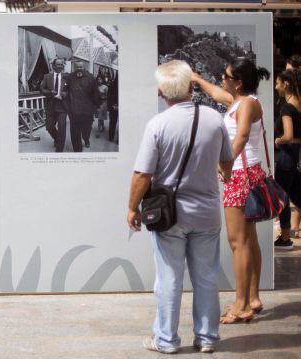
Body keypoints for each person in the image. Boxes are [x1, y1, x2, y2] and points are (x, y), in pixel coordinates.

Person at [128, 60, 233, 354]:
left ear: (162, 93)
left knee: (169, 279)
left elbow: (142, 174)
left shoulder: (158, 125)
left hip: (170, 215)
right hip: (208, 212)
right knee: (207, 277)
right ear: (191, 87)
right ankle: (208, 338)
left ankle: (166, 340)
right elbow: (227, 160)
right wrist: (221, 172)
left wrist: (132, 208)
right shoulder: (214, 119)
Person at [192, 57, 271, 323]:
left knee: (238, 243)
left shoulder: (246, 104)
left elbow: (243, 135)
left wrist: (225, 164)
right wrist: (197, 79)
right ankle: (253, 298)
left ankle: (241, 305)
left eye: (225, 76)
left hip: (239, 176)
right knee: (248, 241)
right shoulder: (241, 101)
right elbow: (216, 93)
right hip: (247, 174)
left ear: (238, 82)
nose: (221, 79)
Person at [273, 69, 301, 250]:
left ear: (286, 85)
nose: (276, 87)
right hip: (297, 154)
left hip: (287, 156)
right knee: (297, 195)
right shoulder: (299, 104)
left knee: (281, 196)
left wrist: (277, 140)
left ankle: (284, 237)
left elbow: (288, 135)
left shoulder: (286, 108)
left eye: (277, 83)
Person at [65, 61, 100, 151]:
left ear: (84, 67)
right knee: (75, 132)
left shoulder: (90, 77)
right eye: (77, 67)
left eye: (80, 67)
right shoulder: (70, 77)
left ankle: (86, 139)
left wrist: (96, 107)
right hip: (74, 110)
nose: (78, 69)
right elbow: (66, 90)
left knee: (86, 129)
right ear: (74, 67)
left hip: (87, 111)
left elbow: (95, 93)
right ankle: (78, 150)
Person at [40, 58, 69, 152]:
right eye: (58, 65)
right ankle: (57, 139)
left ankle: (59, 149)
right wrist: (50, 92)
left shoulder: (66, 77)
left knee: (62, 128)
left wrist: (66, 94)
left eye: (61, 65)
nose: (60, 66)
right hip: (50, 105)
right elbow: (42, 90)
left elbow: (71, 89)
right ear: (53, 66)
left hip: (62, 106)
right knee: (49, 127)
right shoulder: (47, 76)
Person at [108, 74, 119, 143]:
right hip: (113, 107)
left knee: (113, 122)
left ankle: (116, 139)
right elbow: (109, 96)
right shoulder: (112, 85)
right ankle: (111, 137)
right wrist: (112, 105)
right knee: (113, 122)